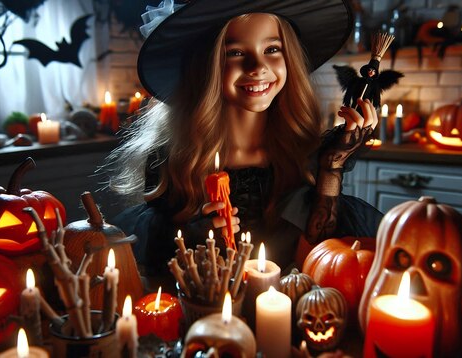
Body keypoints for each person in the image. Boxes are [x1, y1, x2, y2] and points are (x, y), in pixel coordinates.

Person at [105, 0, 383, 276]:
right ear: (205, 66)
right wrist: (192, 234)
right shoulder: (172, 159)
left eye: (272, 49)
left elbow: (320, 254)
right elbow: (157, 254)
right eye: (236, 53)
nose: (258, 67)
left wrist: (331, 168)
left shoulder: (305, 154)